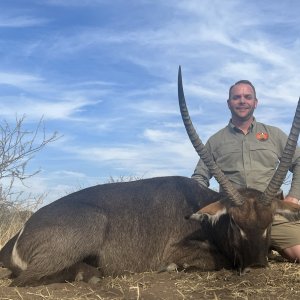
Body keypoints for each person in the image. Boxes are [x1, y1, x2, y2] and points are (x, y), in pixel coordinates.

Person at [192, 79, 300, 262]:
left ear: (255, 102)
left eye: (247, 97)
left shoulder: (274, 135)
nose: (242, 101)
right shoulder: (215, 141)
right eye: (236, 97)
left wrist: (294, 194)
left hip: (270, 213)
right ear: (229, 103)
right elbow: (199, 178)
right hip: (235, 220)